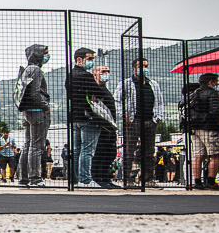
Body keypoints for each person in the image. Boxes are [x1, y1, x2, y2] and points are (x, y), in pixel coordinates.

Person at [112, 58, 164, 187]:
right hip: (133, 120)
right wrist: (124, 115)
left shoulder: (153, 84)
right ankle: (128, 179)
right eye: (141, 66)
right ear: (134, 68)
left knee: (149, 152)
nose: (144, 68)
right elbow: (117, 100)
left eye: (146, 65)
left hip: (150, 120)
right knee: (129, 151)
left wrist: (158, 117)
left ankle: (148, 179)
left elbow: (160, 102)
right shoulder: (126, 84)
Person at [66, 47, 103, 187]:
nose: (92, 62)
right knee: (87, 150)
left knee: (76, 150)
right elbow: (99, 92)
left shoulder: (70, 75)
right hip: (88, 117)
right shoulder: (86, 76)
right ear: (79, 59)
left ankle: (74, 179)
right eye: (90, 59)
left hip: (74, 116)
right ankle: (86, 179)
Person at [15, 44, 51, 187]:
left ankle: (24, 179)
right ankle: (35, 178)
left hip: (27, 112)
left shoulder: (27, 70)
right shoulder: (36, 70)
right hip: (38, 113)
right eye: (45, 53)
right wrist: (46, 106)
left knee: (28, 145)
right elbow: (35, 92)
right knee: (36, 146)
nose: (47, 56)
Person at [188, 72, 219, 190]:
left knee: (198, 155)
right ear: (211, 83)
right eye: (216, 81)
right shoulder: (213, 94)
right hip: (209, 128)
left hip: (194, 128)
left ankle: (197, 182)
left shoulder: (193, 94)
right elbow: (215, 113)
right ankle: (211, 181)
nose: (217, 84)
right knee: (216, 154)